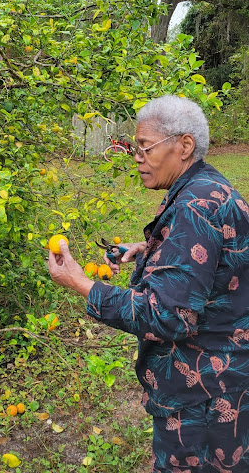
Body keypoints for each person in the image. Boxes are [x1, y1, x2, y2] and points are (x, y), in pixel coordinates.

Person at [48, 95, 249, 473]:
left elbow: (167, 317)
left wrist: (80, 283)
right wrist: (151, 250)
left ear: (184, 146)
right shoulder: (210, 189)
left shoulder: (192, 207)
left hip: (203, 397)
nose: (136, 157)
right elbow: (227, 260)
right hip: (227, 380)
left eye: (144, 147)